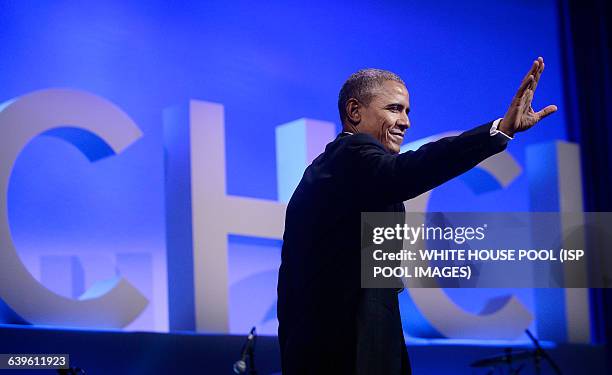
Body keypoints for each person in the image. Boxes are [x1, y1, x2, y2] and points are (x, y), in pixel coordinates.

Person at [277, 58, 556, 375]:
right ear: (354, 111)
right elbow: (409, 170)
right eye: (394, 109)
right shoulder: (347, 156)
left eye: (407, 111)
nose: (406, 122)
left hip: (369, 344)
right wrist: (498, 132)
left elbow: (379, 295)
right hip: (332, 352)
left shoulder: (371, 180)